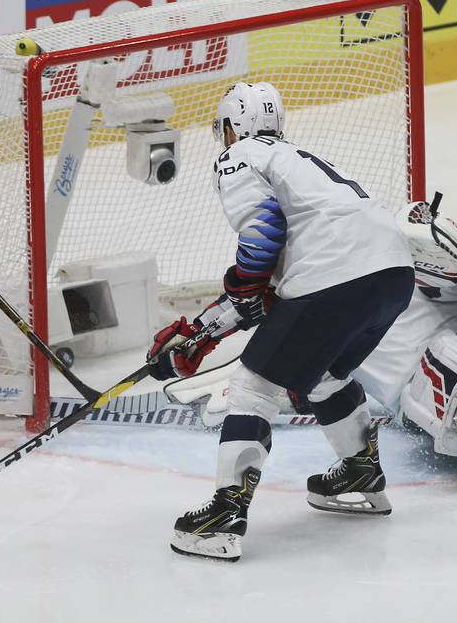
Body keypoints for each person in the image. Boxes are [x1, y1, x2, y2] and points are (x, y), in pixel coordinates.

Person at [147, 81, 414, 562]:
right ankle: (360, 474)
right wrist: (204, 333)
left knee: (254, 385)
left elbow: (263, 232)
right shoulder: (297, 158)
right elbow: (270, 291)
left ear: (232, 126)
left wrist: (211, 324)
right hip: (393, 274)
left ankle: (224, 516)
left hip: (336, 273)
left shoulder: (240, 155)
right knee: (325, 375)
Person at [165, 196, 457, 463]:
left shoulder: (388, 242)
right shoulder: (297, 311)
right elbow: (246, 330)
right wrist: (193, 341)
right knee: (452, 364)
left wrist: (436, 239)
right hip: (428, 385)